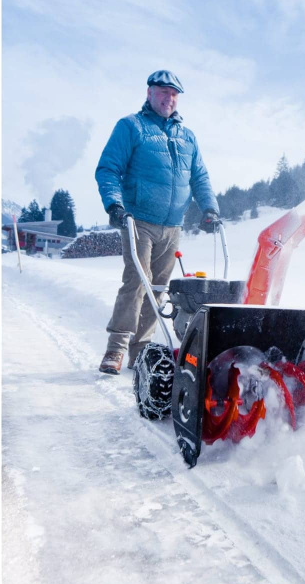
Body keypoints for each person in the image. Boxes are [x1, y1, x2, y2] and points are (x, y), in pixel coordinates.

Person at [94, 70, 221, 375]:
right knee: (137, 281)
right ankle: (116, 348)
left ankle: (140, 351)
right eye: (163, 92)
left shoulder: (187, 137)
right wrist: (114, 204)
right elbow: (108, 168)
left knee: (159, 288)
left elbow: (200, 177)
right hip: (138, 220)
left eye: (174, 94)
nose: (169, 98)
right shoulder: (131, 126)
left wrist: (210, 209)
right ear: (149, 93)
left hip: (173, 226)